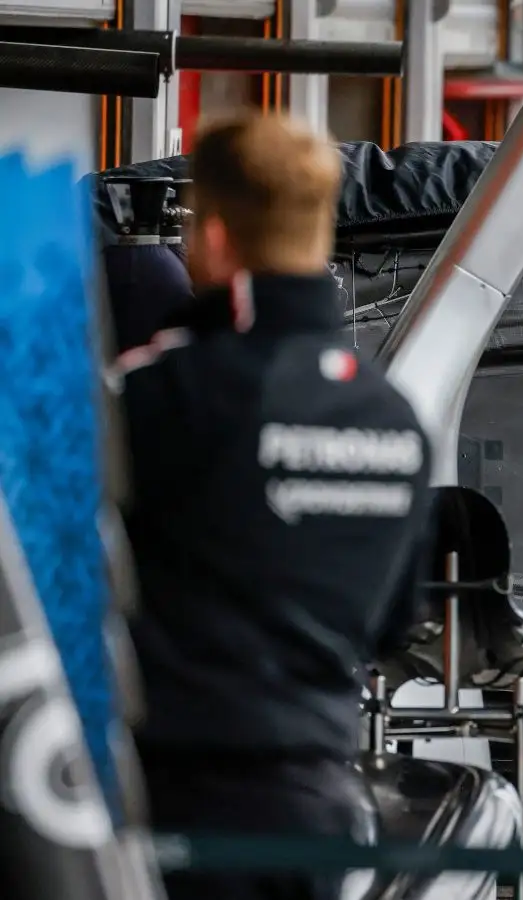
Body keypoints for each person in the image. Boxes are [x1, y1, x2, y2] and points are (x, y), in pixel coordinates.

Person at [114, 112, 433, 900]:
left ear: (215, 239)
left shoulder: (167, 389)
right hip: (319, 814)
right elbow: (395, 626)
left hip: (172, 811)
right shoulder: (393, 417)